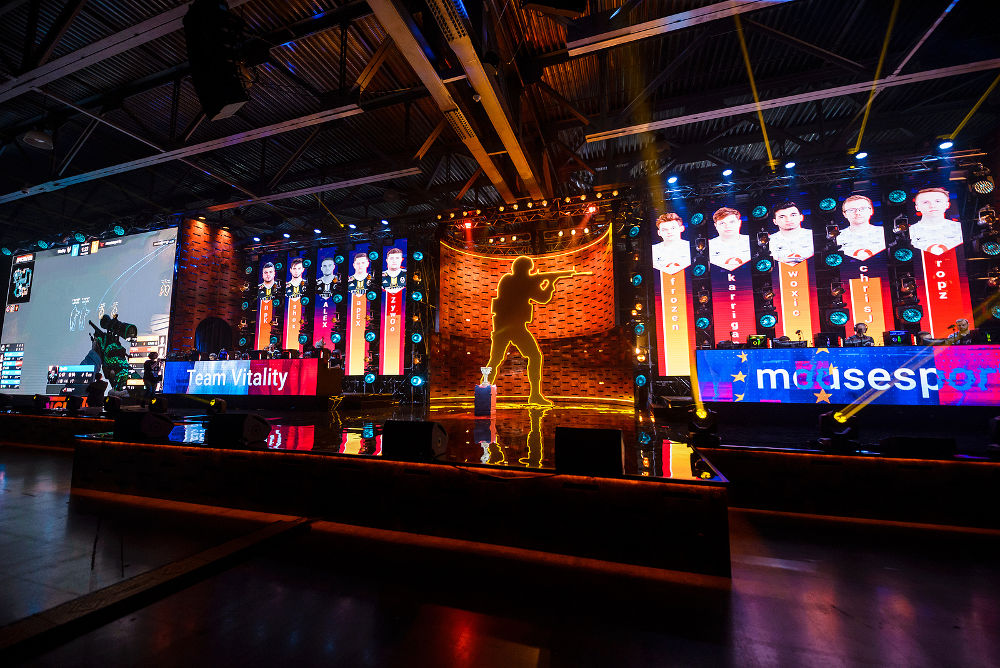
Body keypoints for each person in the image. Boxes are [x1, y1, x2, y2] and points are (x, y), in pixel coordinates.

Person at [484, 257, 580, 406]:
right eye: (529, 270)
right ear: (524, 270)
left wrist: (542, 281)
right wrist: (550, 284)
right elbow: (543, 298)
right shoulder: (518, 282)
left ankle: (485, 393)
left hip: (505, 326)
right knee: (534, 356)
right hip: (513, 326)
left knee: (495, 360)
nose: (530, 273)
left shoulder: (507, 280)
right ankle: (534, 395)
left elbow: (529, 292)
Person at [910, 187, 963, 255]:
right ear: (917, 207)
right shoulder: (910, 232)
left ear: (947, 205)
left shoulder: (960, 228)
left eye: (938, 201)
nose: (932, 206)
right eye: (925, 202)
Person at [837, 195, 886, 260]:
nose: (857, 212)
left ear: (871, 211)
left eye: (863, 208)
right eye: (851, 210)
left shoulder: (884, 232)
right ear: (845, 214)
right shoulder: (837, 237)